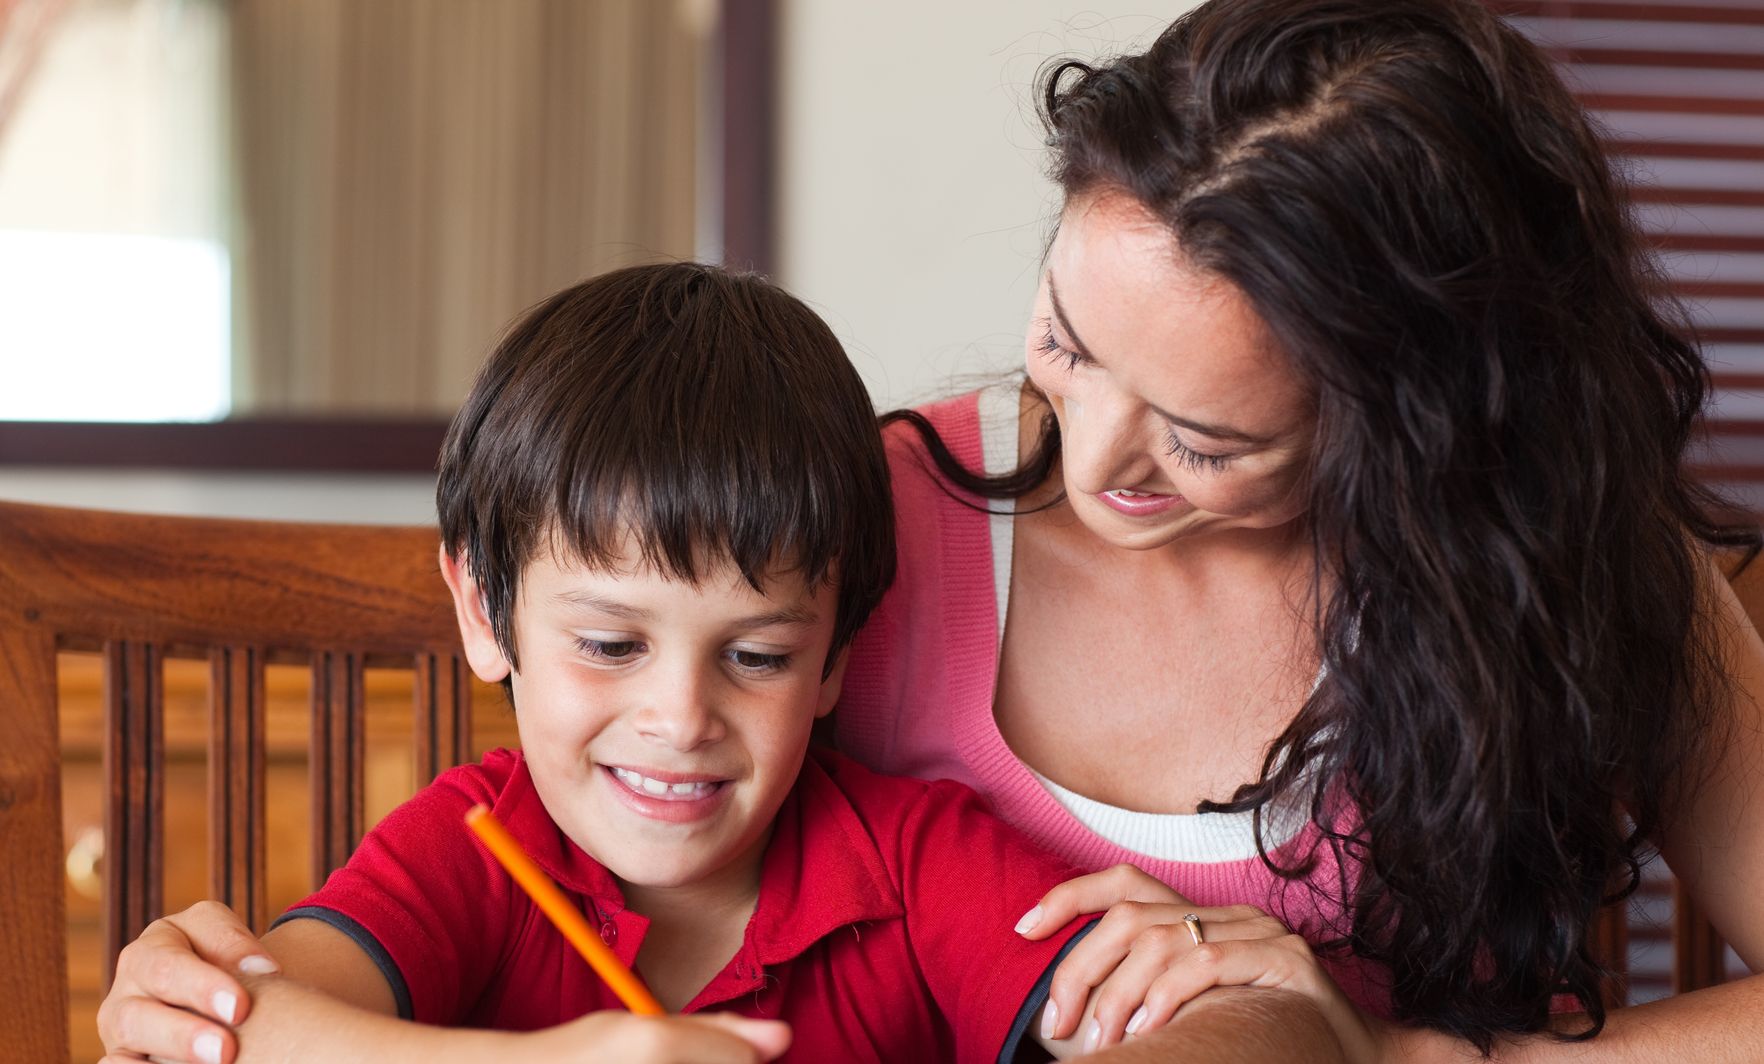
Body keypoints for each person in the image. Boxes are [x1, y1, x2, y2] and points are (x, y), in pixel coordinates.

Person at [100, 0, 1764, 1059]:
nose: (1087, 458)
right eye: (1065, 338)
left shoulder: (1584, 580)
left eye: (1199, 436)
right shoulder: (861, 528)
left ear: (1414, 421)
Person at [98, 262, 1334, 1064]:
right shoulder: (476, 842)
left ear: (838, 656)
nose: (680, 715)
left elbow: (1265, 1027)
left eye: (755, 654)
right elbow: (232, 1023)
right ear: (484, 613)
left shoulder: (912, 860)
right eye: (608, 644)